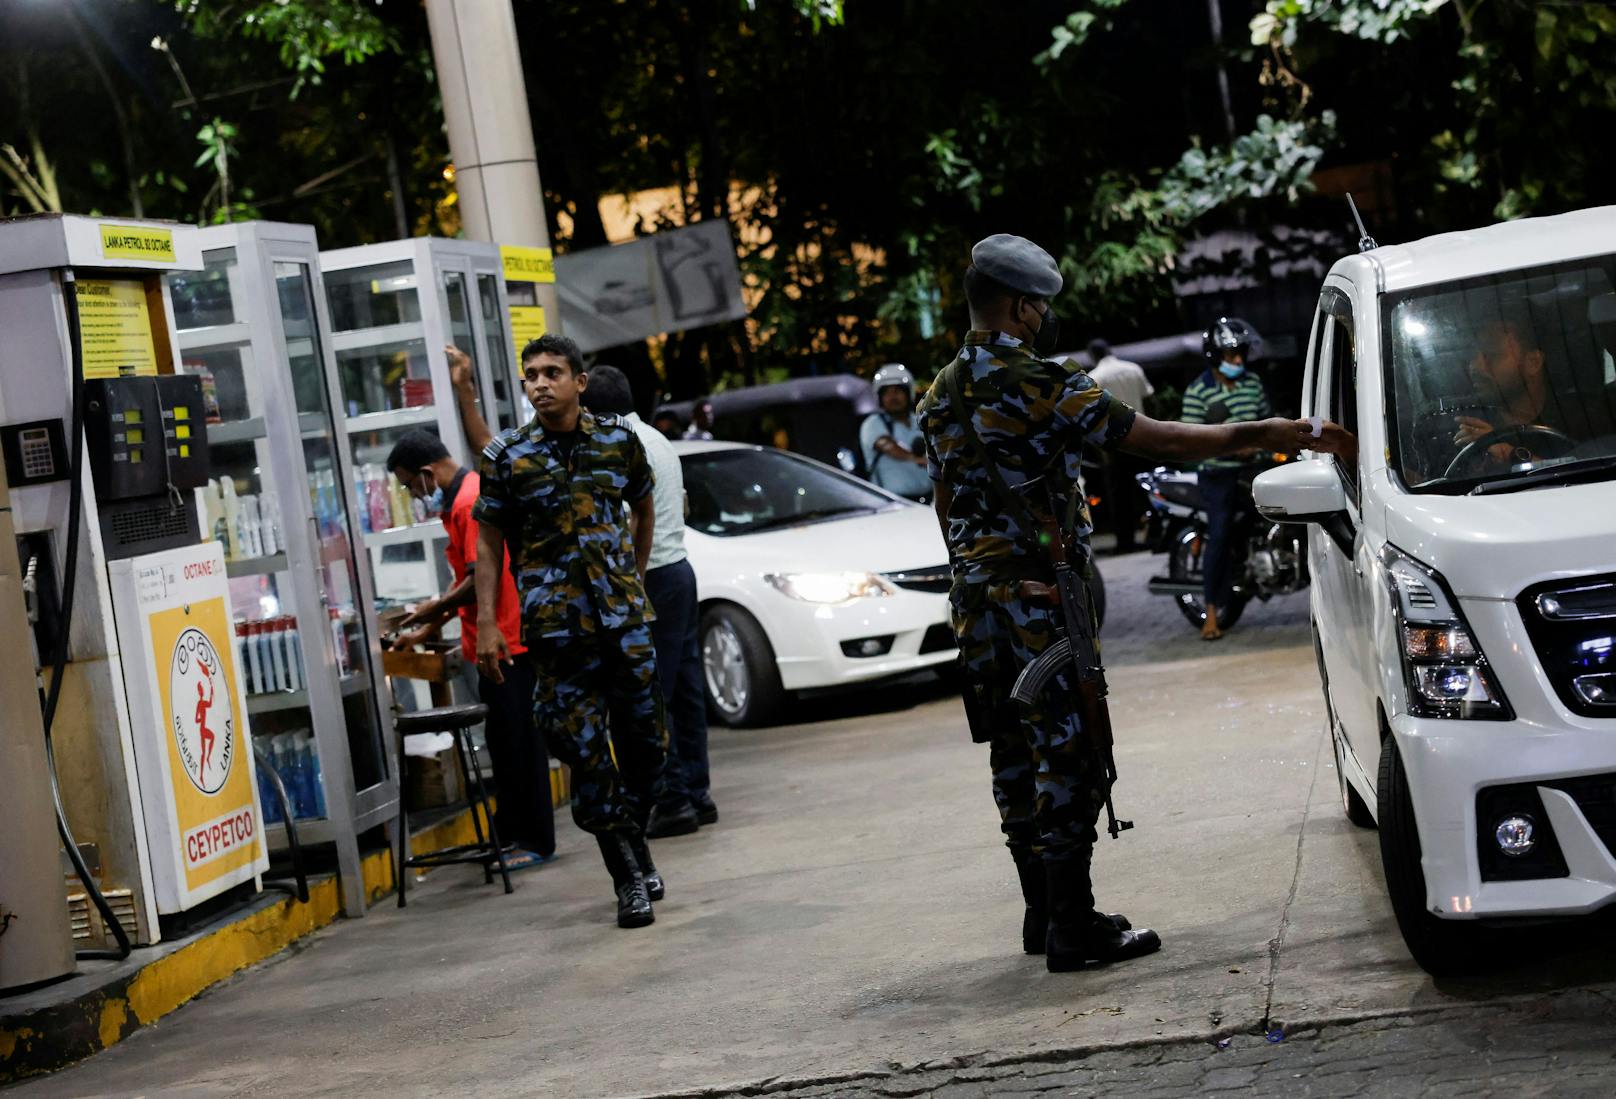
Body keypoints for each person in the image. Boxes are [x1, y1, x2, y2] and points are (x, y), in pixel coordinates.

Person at [919, 234, 1343, 974]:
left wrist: (983, 574)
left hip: (978, 608)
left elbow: (946, 501)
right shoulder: (1042, 379)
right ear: (1021, 307)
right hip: (1039, 603)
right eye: (1040, 306)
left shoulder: (940, 392)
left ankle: (1043, 911)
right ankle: (1074, 928)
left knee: (1013, 755)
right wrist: (1275, 431)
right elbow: (1164, 439)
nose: (1045, 317)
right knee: (1068, 755)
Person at [473, 334, 668, 929]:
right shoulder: (507, 456)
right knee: (585, 755)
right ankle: (627, 877)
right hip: (557, 633)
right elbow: (488, 541)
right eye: (531, 374)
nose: (540, 383)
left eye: (553, 372)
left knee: (648, 749)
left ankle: (634, 837)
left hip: (624, 622)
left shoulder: (618, 440)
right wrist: (487, 621)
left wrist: (631, 579)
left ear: (579, 382)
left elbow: (643, 507)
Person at [386, 426, 556, 869]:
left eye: (410, 485)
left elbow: (482, 575)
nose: (413, 494)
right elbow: (468, 579)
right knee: (503, 744)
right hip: (491, 642)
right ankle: (512, 831)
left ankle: (534, 840)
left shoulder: (468, 503)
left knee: (519, 744)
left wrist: (433, 608)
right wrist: (429, 627)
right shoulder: (464, 499)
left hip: (504, 641)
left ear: (426, 472)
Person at [582, 366, 717, 839]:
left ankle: (674, 799)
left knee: (651, 696)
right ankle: (698, 795)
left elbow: (628, 522)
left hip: (652, 575)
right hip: (678, 570)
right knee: (684, 691)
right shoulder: (658, 438)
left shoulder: (619, 448)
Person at [1179, 318, 1273, 641]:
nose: (1238, 360)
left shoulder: (1253, 384)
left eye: (1241, 353)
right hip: (1217, 472)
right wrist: (1234, 447)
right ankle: (1211, 612)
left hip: (1253, 470)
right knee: (1219, 533)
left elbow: (1265, 422)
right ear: (1215, 356)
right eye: (1232, 354)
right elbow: (1191, 440)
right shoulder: (1198, 392)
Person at [1084, 339, 1154, 553]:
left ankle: (1126, 541)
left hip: (1115, 446)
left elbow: (1092, 418)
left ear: (1093, 356)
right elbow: (1150, 400)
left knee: (1120, 497)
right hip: (1143, 438)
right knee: (1148, 489)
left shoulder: (1095, 377)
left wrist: (1100, 451)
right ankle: (1157, 534)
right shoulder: (1133, 369)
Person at [859, 363, 933, 501]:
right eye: (887, 393)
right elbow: (888, 446)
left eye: (898, 391)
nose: (893, 397)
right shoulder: (873, 422)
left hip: (929, 502)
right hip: (892, 506)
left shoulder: (920, 420)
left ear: (908, 393)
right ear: (879, 398)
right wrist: (919, 460)